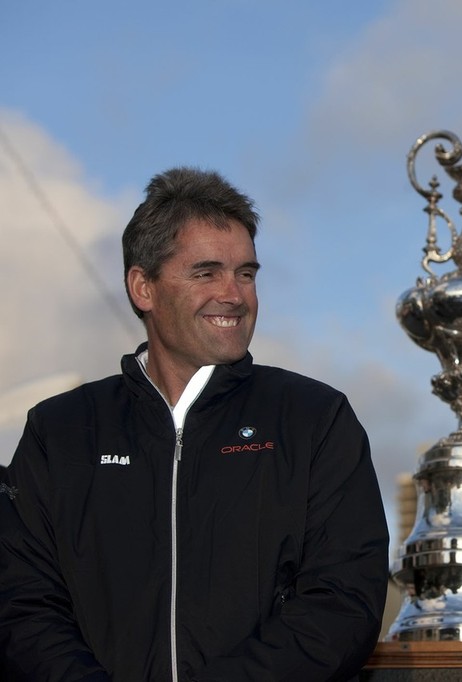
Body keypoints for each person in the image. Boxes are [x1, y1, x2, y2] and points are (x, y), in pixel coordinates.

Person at [0, 168, 390, 681]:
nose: (234, 294)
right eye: (207, 272)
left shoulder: (315, 419)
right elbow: (22, 604)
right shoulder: (59, 432)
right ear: (144, 287)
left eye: (246, 273)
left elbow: (343, 603)